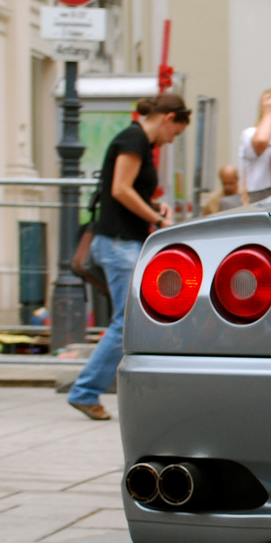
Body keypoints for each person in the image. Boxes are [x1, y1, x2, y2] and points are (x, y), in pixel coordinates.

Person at [67, 95, 192, 420]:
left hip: (121, 243)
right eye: (175, 133)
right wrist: (158, 219)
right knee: (127, 323)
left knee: (136, 320)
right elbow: (121, 189)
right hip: (119, 243)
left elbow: (126, 189)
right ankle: (85, 391)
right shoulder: (134, 138)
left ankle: (104, 390)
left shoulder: (134, 139)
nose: (171, 140)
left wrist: (153, 208)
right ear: (167, 118)